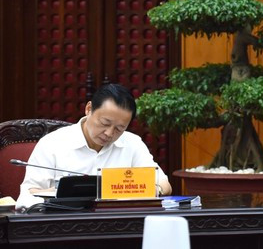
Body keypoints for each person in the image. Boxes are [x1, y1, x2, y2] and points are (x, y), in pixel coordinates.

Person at [16, 83, 171, 208]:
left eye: (119, 128)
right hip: (64, 226)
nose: (109, 133)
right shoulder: (52, 144)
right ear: (89, 109)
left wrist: (147, 190)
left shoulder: (132, 144)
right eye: (105, 123)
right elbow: (29, 194)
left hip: (117, 226)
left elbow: (164, 185)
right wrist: (63, 193)